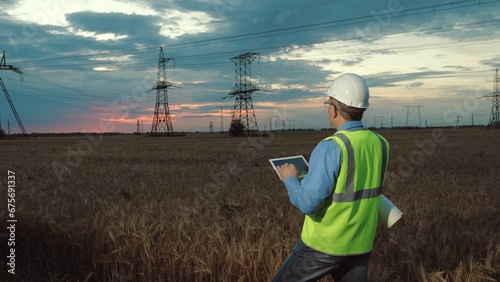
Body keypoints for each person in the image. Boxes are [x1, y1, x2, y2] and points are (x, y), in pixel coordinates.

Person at [272, 73, 390, 282]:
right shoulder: (381, 143)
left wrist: (290, 179)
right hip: (360, 243)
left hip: (325, 244)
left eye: (328, 103)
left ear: (334, 109)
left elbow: (309, 204)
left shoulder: (330, 147)